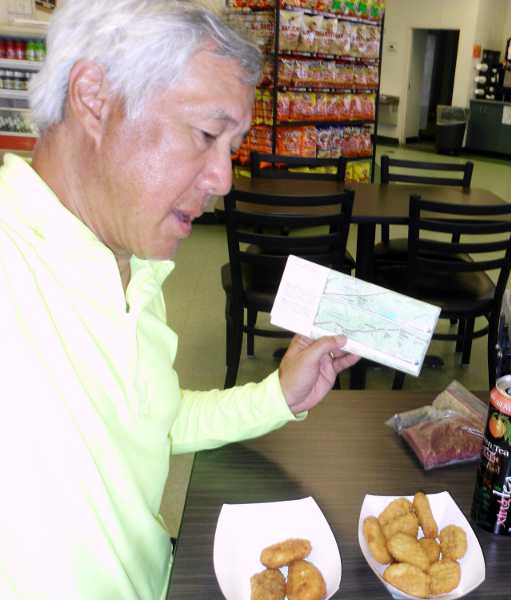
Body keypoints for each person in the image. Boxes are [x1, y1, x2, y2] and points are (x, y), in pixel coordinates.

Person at [0, 1, 359, 597]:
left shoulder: (135, 265)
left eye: (232, 145)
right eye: (207, 134)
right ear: (95, 98)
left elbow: (151, 420)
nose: (224, 178)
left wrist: (277, 395)